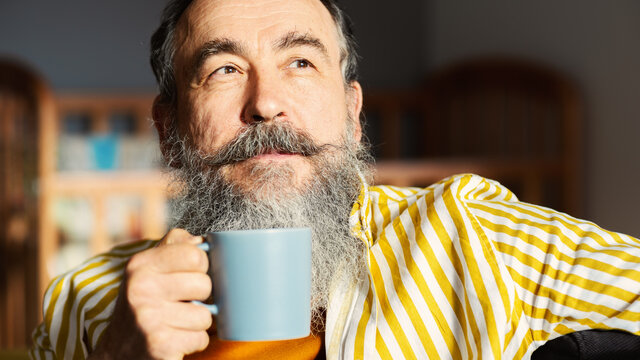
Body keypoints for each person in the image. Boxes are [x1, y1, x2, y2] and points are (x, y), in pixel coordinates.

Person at [31, 0, 640, 359]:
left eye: (300, 62)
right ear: (168, 131)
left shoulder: (472, 233)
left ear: (351, 113)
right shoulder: (84, 304)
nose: (266, 103)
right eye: (222, 69)